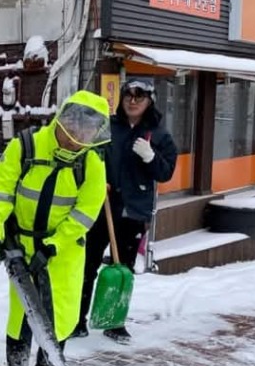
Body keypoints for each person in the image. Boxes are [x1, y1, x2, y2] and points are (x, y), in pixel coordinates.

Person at [0, 90, 111, 366]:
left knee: (61, 314)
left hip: (64, 250)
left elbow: (85, 214)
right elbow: (0, 192)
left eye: (84, 138)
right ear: (64, 122)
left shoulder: (92, 165)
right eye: (73, 135)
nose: (76, 143)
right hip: (21, 245)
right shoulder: (25, 146)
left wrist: (54, 245)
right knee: (21, 315)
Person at [75, 79, 178, 344]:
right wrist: (98, 179)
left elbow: (165, 173)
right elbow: (88, 155)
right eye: (128, 95)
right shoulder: (108, 127)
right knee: (88, 265)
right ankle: (77, 320)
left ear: (150, 100)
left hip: (134, 211)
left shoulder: (159, 134)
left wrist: (151, 157)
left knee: (124, 269)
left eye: (139, 96)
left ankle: (114, 321)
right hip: (103, 206)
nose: (133, 101)